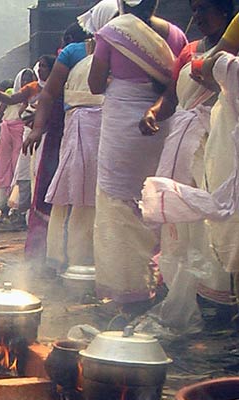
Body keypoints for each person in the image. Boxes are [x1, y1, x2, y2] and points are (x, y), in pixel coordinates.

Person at [137, 0, 236, 326]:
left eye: (205, 8)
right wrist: (153, 112)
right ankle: (179, 286)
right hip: (181, 143)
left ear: (225, 12)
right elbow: (172, 98)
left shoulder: (231, 57)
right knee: (180, 219)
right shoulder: (189, 51)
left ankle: (218, 296)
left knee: (214, 218)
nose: (198, 16)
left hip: (218, 142)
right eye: (193, 9)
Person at [88, 0, 187, 311]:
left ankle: (129, 291)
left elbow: (94, 84)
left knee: (119, 206)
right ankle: (162, 281)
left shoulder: (112, 33)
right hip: (162, 123)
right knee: (157, 199)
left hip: (123, 129)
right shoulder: (176, 34)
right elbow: (177, 84)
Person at [23, 2, 119, 271]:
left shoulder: (126, 50)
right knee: (73, 192)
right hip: (79, 131)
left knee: (109, 195)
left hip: (114, 128)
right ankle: (66, 260)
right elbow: (49, 94)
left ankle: (106, 264)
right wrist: (38, 128)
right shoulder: (74, 52)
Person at [0, 66, 41, 217]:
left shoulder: (35, 93)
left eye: (29, 79)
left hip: (22, 131)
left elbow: (24, 114)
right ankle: (4, 202)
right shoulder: (13, 94)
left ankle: (16, 204)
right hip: (7, 131)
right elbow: (1, 110)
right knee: (4, 166)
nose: (26, 81)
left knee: (19, 166)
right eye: (23, 79)